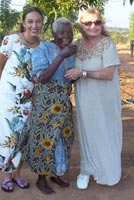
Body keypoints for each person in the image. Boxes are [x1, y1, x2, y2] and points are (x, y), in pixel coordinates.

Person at [65, 8, 123, 189]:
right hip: (85, 98)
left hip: (104, 99)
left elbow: (108, 74)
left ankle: (108, 171)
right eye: (88, 23)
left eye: (97, 22)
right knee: (87, 133)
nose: (93, 26)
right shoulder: (78, 44)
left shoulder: (108, 44)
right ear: (81, 25)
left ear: (102, 24)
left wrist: (82, 72)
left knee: (105, 133)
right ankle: (87, 169)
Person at [19, 17, 77, 194]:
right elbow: (42, 78)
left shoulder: (73, 51)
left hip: (64, 102)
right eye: (62, 32)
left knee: (63, 138)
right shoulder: (42, 49)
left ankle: (56, 173)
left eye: (69, 32)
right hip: (45, 102)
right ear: (53, 33)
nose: (66, 36)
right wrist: (60, 56)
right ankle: (41, 179)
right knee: (44, 140)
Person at [0, 6, 44, 192]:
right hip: (9, 100)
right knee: (8, 136)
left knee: (23, 137)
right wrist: (10, 87)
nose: (34, 25)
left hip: (30, 100)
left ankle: (17, 174)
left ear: (42, 23)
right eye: (30, 21)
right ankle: (7, 176)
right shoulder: (11, 40)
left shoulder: (42, 45)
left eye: (38, 21)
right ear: (23, 23)